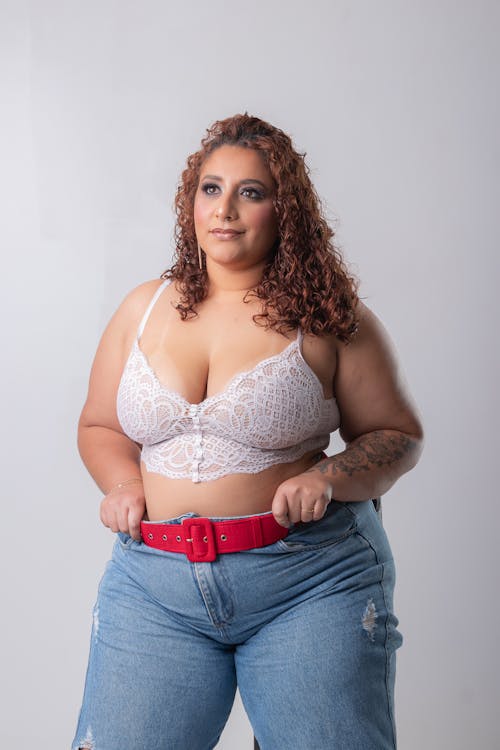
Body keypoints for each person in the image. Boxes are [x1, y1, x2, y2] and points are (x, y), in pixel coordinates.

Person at [72, 113, 423, 750]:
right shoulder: (142, 308)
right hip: (155, 586)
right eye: (211, 188)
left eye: (250, 192)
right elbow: (100, 423)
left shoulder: (329, 317)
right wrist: (123, 482)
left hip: (309, 580)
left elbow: (396, 434)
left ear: (283, 209)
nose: (225, 209)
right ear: (190, 202)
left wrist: (327, 476)